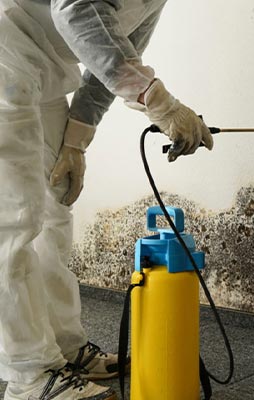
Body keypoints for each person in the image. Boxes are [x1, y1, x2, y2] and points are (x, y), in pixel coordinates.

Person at [0, 0, 213, 398]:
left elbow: (113, 55)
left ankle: (64, 348)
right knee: (13, 220)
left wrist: (75, 143)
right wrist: (159, 102)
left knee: (54, 212)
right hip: (5, 52)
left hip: (44, 72)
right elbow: (75, 9)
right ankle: (29, 375)